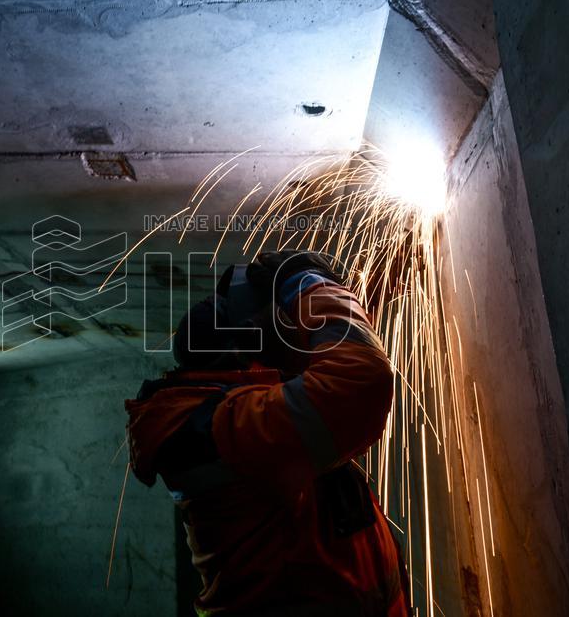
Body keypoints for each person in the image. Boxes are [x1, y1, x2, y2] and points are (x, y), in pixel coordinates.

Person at [125, 251, 410, 616]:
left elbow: (320, 336)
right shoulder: (228, 426)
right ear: (258, 350)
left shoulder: (233, 404)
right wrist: (311, 285)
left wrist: (359, 284)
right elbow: (359, 380)